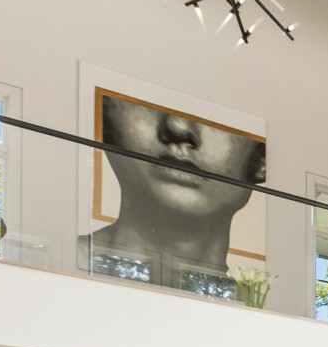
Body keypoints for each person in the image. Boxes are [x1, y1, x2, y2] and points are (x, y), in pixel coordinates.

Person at [82, 94, 265, 295]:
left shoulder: (250, 305)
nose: (178, 127)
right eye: (145, 105)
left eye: (215, 119)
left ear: (262, 161)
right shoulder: (70, 266)